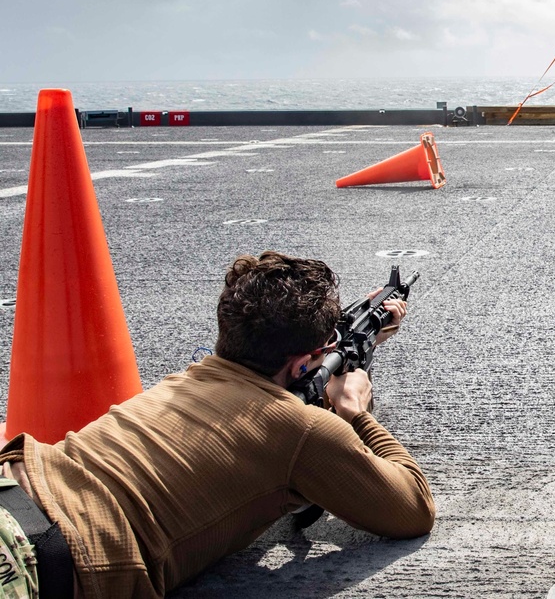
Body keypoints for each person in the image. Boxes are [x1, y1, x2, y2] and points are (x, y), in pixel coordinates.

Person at [0, 251, 435, 598]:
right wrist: (355, 411)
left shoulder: (183, 381)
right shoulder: (299, 430)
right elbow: (413, 509)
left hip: (16, 485)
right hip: (39, 563)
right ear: (304, 364)